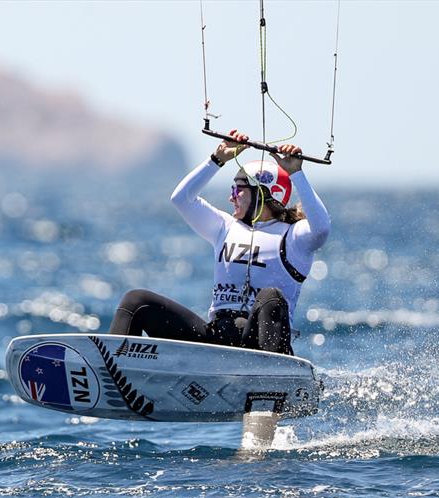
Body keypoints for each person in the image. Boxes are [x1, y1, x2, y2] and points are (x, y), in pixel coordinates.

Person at [108, 129, 331, 354]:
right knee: (136, 301)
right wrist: (218, 159)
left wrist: (296, 174)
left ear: (264, 194)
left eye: (238, 189)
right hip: (216, 337)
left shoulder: (292, 237)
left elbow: (321, 228)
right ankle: (110, 367)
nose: (231, 196)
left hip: (261, 348)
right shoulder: (224, 226)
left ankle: (270, 380)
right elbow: (181, 199)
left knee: (271, 296)